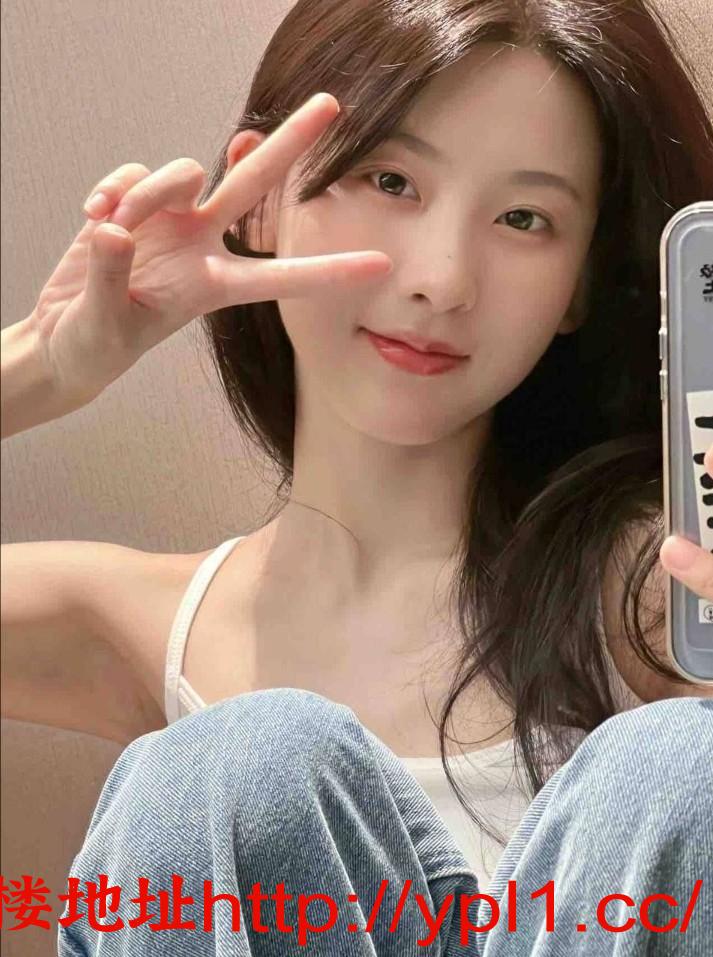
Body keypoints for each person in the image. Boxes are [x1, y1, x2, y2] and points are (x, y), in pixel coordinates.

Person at [1, 0, 711, 952]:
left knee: (685, 766)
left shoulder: (660, 592)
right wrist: (41, 366)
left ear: (579, 283)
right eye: (390, 179)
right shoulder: (145, 623)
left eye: (522, 218)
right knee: (243, 763)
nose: (440, 278)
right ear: (260, 198)